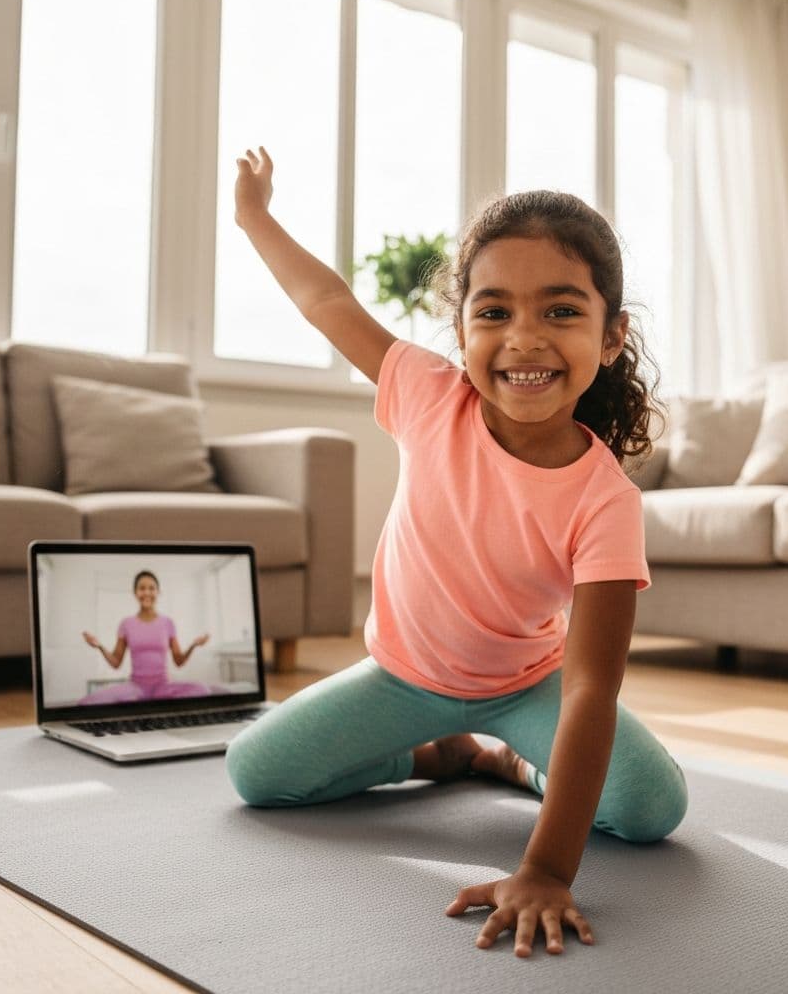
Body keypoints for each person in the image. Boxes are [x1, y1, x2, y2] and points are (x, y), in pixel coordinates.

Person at [226, 146, 688, 958]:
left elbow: (589, 689)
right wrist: (255, 217)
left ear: (612, 337)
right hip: (402, 676)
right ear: (462, 327)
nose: (524, 340)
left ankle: (514, 762)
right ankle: (438, 755)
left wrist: (544, 867)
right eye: (494, 312)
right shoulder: (427, 396)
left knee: (652, 809)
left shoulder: (606, 500)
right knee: (257, 774)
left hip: (528, 687)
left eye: (561, 312)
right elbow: (326, 298)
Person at [79, 570, 218, 705]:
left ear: (158, 592)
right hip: (136, 688)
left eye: (151, 588)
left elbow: (179, 661)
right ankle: (140, 702)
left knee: (202, 690)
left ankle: (146, 703)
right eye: (142, 588)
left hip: (163, 687)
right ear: (135, 593)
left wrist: (193, 646)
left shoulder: (167, 623)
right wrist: (100, 647)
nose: (147, 592)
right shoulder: (126, 623)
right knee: (88, 701)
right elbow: (116, 662)